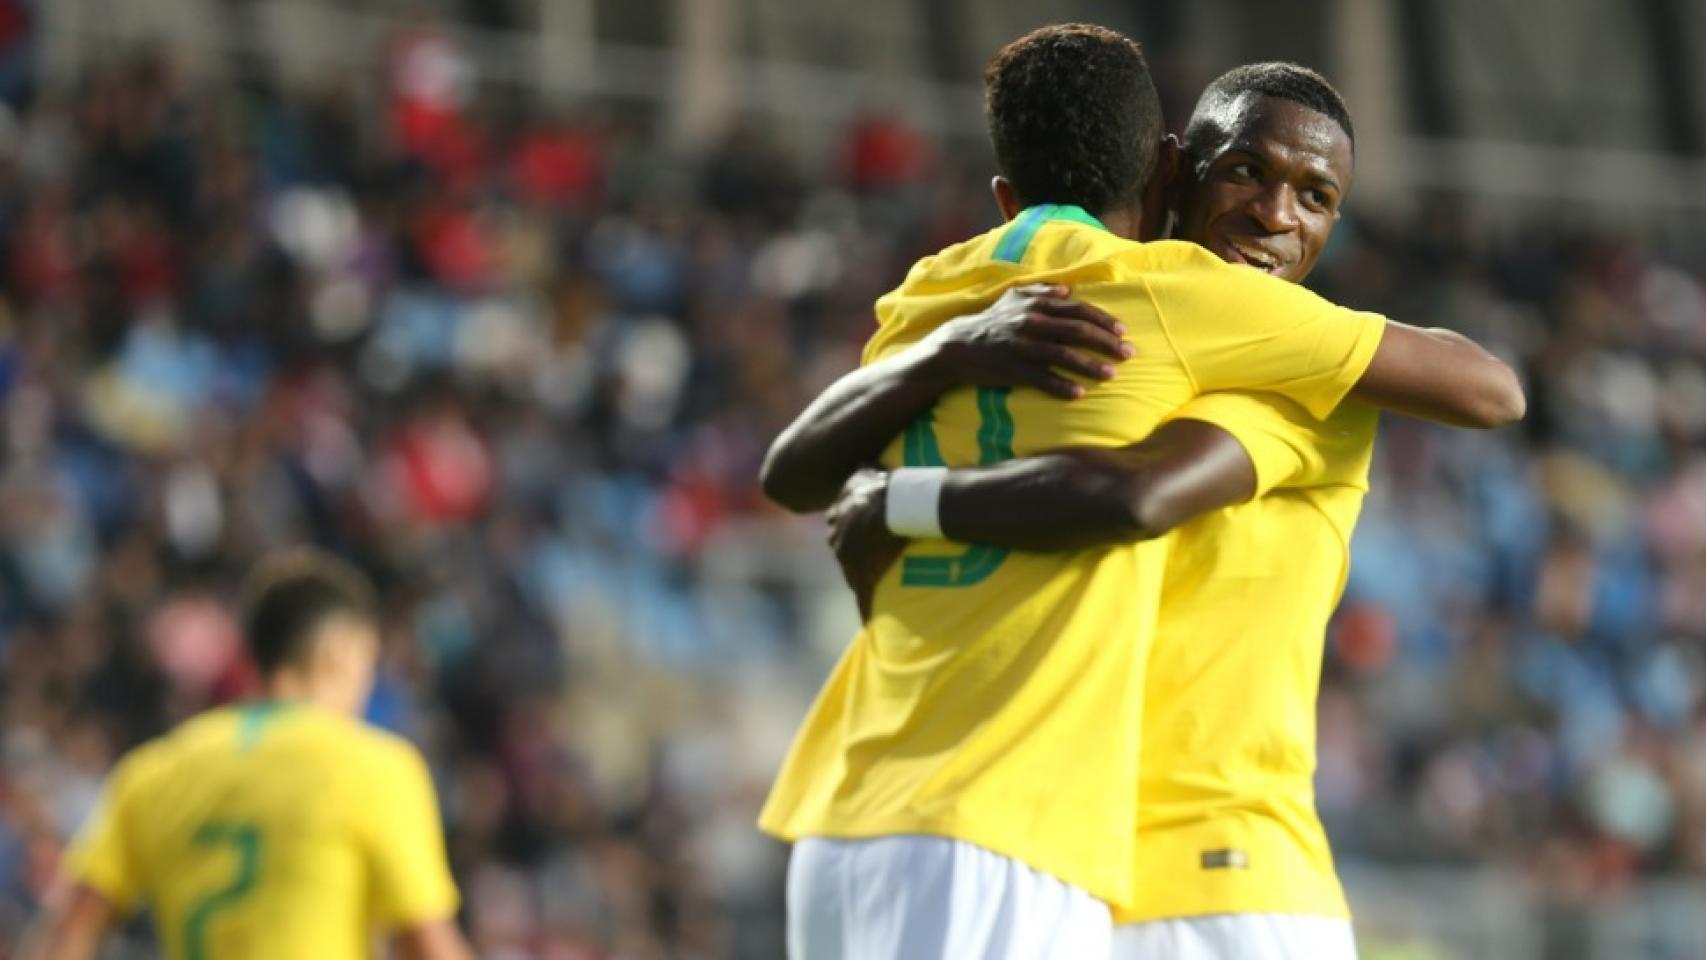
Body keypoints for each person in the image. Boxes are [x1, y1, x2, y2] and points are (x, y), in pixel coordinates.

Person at [758, 24, 1522, 960]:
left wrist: (897, 498)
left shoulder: (1297, 380)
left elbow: (1135, 490)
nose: (1275, 215)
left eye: (1316, 197)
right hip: (1055, 844)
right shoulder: (1154, 308)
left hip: (1220, 870)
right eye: (1246, 173)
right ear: (1173, 172)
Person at [21, 549, 474, 960]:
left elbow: (69, 931)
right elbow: (427, 945)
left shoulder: (154, 771)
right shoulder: (374, 769)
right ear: (337, 654)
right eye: (368, 664)